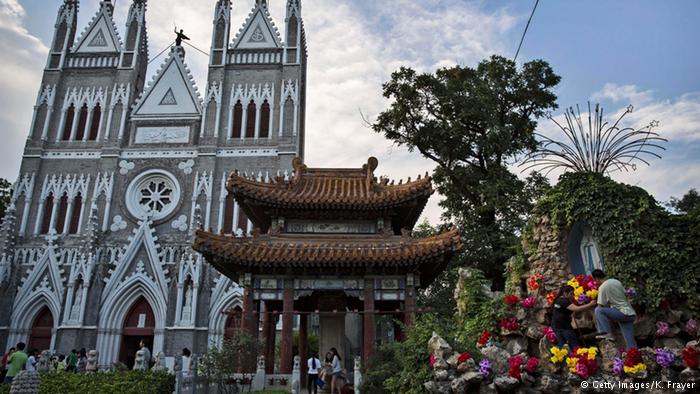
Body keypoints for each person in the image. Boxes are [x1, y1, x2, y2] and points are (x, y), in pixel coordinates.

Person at [592, 269, 637, 349]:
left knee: (598, 310)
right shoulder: (616, 281)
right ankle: (634, 356)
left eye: (595, 280)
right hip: (630, 313)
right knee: (629, 340)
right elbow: (625, 295)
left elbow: (600, 305)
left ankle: (606, 333)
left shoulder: (603, 287)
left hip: (621, 312)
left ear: (597, 278)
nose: (595, 282)